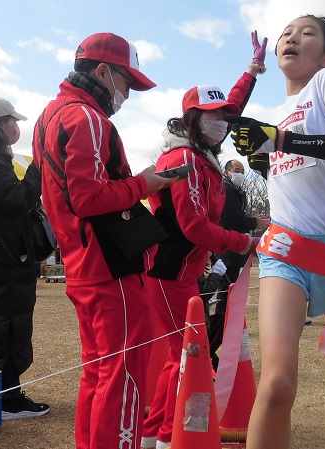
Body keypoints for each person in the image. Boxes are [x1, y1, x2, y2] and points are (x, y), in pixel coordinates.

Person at [224, 15, 325, 449]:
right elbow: (285, 169)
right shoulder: (274, 117)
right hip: (284, 252)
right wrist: (262, 155)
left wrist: (281, 141)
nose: (292, 37)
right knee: (276, 384)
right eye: (286, 34)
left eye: (307, 33)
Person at [32, 33, 176, 449]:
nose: (127, 94)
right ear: (101, 72)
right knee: (125, 376)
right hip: (110, 265)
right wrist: (143, 183)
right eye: (127, 82)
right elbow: (88, 197)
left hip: (81, 264)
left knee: (98, 372)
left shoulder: (49, 116)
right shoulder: (89, 119)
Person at [142, 32, 267, 449]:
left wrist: (251, 71)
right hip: (167, 272)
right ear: (192, 119)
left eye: (223, 118)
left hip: (183, 272)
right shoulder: (183, 161)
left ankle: (154, 434)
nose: (222, 123)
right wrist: (242, 241)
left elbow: (231, 106)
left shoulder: (200, 154)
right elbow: (194, 226)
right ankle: (164, 435)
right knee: (188, 358)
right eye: (211, 116)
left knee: (180, 357)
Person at [0, 97, 50, 420]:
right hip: (1, 263)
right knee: (2, 332)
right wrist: (37, 169)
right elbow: (18, 200)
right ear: (0, 126)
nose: (16, 128)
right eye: (12, 122)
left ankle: (3, 397)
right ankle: (4, 400)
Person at [210, 157, 269, 371]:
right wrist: (254, 221)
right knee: (225, 296)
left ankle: (218, 336)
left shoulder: (235, 190)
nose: (240, 173)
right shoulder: (227, 190)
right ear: (226, 172)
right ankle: (213, 341)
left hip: (232, 250)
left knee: (227, 295)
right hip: (228, 250)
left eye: (242, 170)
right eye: (236, 169)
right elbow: (233, 218)